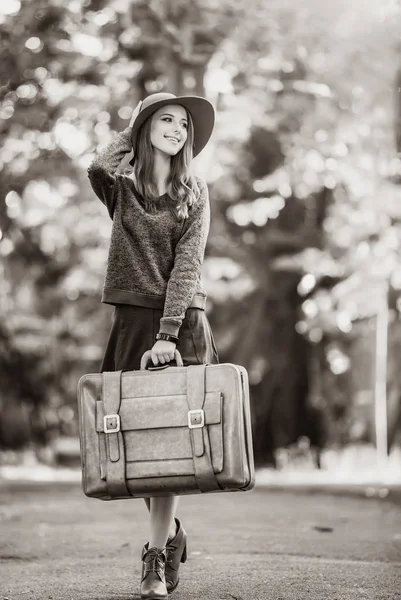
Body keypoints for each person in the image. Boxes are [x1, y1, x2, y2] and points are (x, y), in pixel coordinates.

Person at [87, 91, 219, 600]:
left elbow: (188, 266)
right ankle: (172, 536)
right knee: (141, 445)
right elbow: (100, 161)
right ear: (144, 127)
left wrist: (167, 335)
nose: (178, 130)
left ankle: (155, 559)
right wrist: (140, 121)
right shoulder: (119, 188)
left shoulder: (195, 191)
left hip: (179, 321)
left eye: (184, 124)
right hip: (131, 319)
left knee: (165, 443)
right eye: (165, 120)